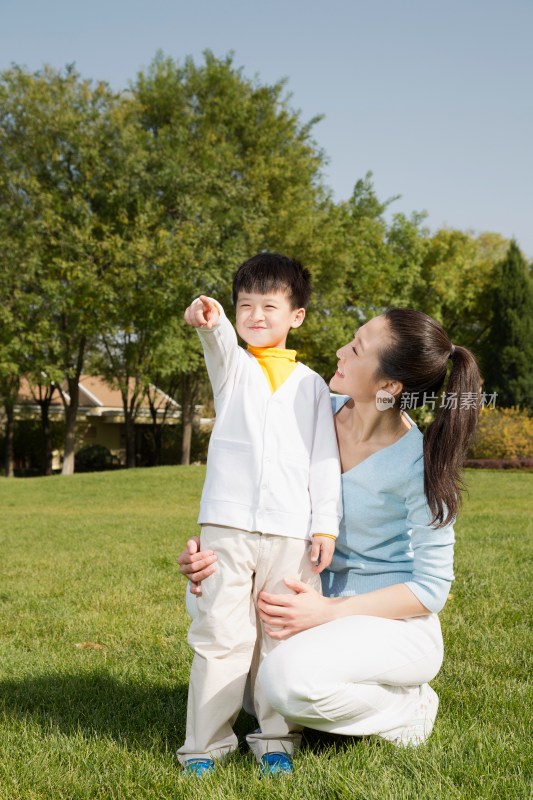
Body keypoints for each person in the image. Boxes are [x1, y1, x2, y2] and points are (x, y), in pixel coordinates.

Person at [179, 307, 481, 755]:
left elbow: (432, 588)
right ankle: (319, 693)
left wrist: (328, 613)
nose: (340, 351)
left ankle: (407, 709)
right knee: (244, 683)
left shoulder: (421, 463)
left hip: (393, 625)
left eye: (356, 349)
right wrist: (214, 551)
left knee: (281, 683)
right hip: (303, 596)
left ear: (389, 387)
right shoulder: (311, 412)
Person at [176, 253, 342, 776]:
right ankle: (203, 746)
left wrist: (325, 525)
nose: (255, 315)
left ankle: (276, 739)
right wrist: (208, 318)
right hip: (226, 525)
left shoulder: (314, 385)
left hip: (292, 532)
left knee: (280, 633)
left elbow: (325, 459)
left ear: (297, 315)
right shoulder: (234, 370)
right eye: (244, 304)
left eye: (270, 305)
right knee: (220, 634)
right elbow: (219, 340)